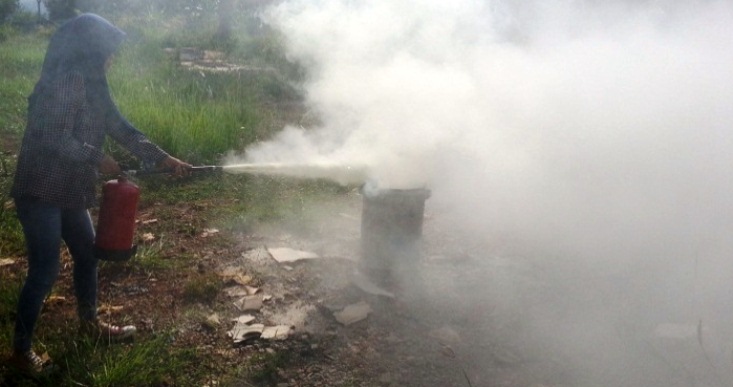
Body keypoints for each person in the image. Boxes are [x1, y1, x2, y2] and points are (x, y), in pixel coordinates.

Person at [8, 13, 191, 374]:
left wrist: (163, 158)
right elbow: (53, 138)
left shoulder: (94, 85)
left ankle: (89, 324)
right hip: (41, 188)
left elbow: (123, 130)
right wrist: (98, 158)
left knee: (87, 255)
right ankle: (20, 352)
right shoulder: (64, 84)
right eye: (108, 50)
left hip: (69, 187)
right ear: (88, 50)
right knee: (45, 269)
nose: (113, 57)